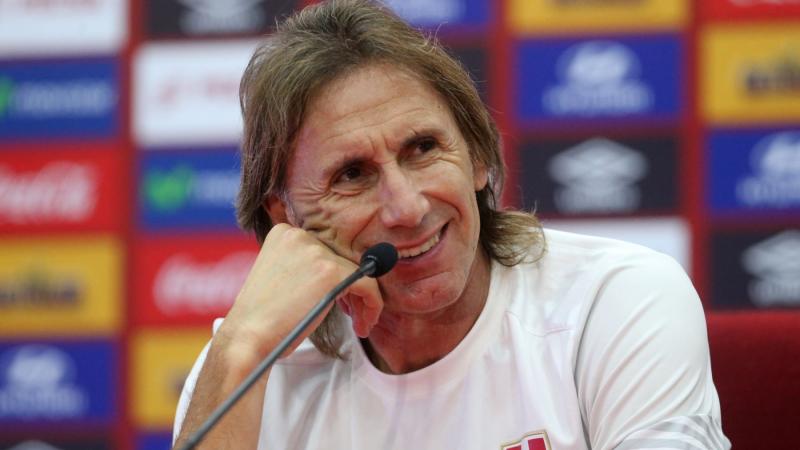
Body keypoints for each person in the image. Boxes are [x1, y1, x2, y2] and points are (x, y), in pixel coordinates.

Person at [172, 1, 730, 449]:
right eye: (352, 175)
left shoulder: (612, 301)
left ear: (477, 156)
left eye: (422, 148)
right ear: (286, 218)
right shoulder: (246, 368)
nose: (407, 208)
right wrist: (240, 348)